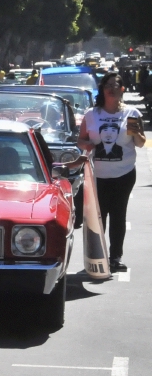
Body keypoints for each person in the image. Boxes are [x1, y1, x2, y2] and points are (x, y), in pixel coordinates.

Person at [64, 71, 145, 272]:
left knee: (118, 215)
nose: (111, 89)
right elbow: (81, 140)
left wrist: (136, 134)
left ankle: (116, 257)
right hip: (96, 175)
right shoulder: (92, 115)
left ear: (122, 90)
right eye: (107, 85)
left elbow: (141, 143)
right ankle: (98, 255)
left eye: (115, 85)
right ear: (103, 89)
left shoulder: (131, 114)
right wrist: (88, 145)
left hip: (123, 174)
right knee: (99, 216)